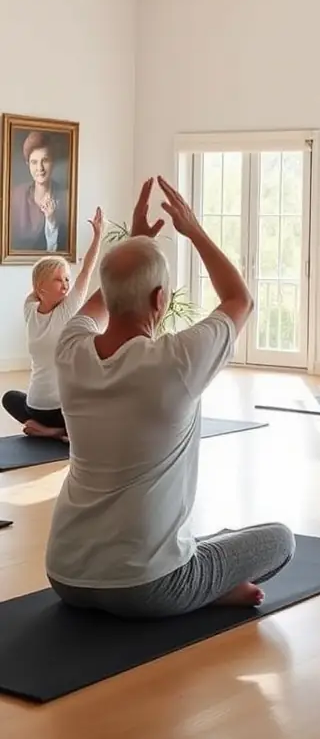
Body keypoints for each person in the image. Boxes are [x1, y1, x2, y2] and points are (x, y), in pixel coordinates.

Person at [46, 177, 295, 618]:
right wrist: (194, 230)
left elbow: (105, 297)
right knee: (279, 539)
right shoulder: (176, 360)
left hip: (65, 575)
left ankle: (204, 579)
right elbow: (239, 298)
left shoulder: (70, 350)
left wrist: (139, 241)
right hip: (148, 587)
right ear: (160, 299)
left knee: (203, 542)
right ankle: (204, 588)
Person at [2, 207, 103, 440]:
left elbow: (34, 292)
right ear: (42, 287)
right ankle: (58, 432)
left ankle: (44, 428)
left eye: (67, 278)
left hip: (36, 407)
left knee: (9, 398)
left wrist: (47, 282)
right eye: (58, 280)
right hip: (62, 412)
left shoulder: (29, 310)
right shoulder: (68, 310)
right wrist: (97, 236)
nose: (66, 284)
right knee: (102, 409)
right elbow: (88, 269)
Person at [10, 131, 69, 253]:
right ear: (28, 164)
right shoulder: (16, 196)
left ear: (53, 162)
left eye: (45, 160)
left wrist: (52, 220)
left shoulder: (66, 197)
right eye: (34, 162)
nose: (40, 168)